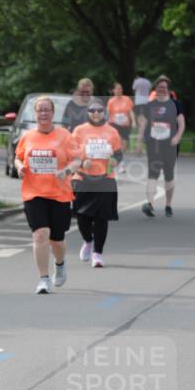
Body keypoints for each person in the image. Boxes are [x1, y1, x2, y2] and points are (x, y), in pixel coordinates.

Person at [14, 96, 80, 294]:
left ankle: (60, 264)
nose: (43, 113)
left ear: (53, 113)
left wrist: (66, 171)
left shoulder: (64, 135)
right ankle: (43, 279)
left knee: (57, 240)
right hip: (33, 192)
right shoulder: (27, 136)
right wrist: (20, 167)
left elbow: (77, 160)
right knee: (40, 234)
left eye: (47, 110)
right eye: (40, 110)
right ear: (35, 114)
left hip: (59, 193)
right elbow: (18, 158)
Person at [72, 100, 123, 267]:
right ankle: (88, 240)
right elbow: (71, 154)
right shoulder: (79, 131)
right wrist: (81, 163)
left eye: (99, 110)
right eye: (92, 110)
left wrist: (115, 161)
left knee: (102, 218)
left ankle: (97, 253)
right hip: (82, 178)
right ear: (87, 112)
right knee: (82, 216)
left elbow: (118, 154)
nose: (96, 113)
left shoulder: (112, 132)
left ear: (104, 112)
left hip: (105, 179)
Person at [137, 75, 186, 218]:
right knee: (153, 173)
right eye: (159, 87)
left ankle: (168, 205)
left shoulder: (175, 104)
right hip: (154, 144)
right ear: (155, 89)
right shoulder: (150, 105)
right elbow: (144, 124)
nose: (162, 89)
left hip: (170, 144)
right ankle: (150, 204)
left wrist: (177, 137)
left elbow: (181, 123)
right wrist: (139, 142)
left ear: (168, 89)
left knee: (169, 175)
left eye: (164, 87)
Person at [106, 82, 135, 170]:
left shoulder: (127, 99)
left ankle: (119, 159)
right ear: (113, 90)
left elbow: (130, 111)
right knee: (117, 142)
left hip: (125, 124)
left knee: (125, 144)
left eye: (120, 88)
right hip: (114, 124)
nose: (119, 90)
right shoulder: (111, 101)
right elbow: (108, 114)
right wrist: (106, 124)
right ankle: (120, 163)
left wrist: (133, 121)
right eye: (117, 89)